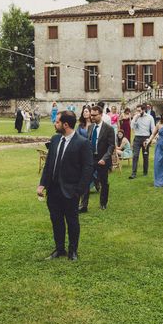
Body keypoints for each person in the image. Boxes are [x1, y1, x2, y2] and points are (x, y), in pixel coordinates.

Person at [37, 111, 93, 261]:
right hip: (53, 190)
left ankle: (73, 251)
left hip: (71, 191)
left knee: (72, 221)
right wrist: (42, 184)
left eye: (57, 122)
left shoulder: (82, 143)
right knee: (56, 220)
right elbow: (49, 164)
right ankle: (59, 249)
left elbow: (88, 169)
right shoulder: (55, 140)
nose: (55, 124)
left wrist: (79, 191)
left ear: (65, 125)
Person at [84, 106, 115, 210]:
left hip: (102, 160)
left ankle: (103, 203)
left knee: (104, 182)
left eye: (94, 115)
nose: (92, 117)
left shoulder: (109, 129)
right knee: (85, 181)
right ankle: (83, 205)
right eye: (91, 115)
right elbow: (87, 142)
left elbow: (111, 146)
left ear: (101, 114)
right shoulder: (90, 127)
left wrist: (104, 158)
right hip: (91, 159)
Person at [129, 104, 155, 179]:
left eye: (139, 110)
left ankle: (145, 172)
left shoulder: (150, 117)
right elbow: (132, 127)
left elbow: (153, 129)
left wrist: (151, 138)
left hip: (146, 138)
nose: (138, 112)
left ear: (143, 110)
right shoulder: (135, 117)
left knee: (145, 156)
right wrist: (135, 119)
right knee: (135, 156)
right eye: (137, 110)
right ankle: (133, 173)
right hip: (137, 138)